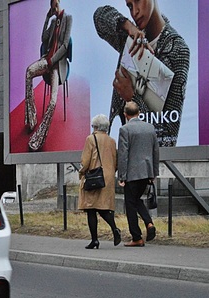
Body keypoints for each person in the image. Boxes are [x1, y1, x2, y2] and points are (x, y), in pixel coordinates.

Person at [93, 1, 189, 147]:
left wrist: (132, 98)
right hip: (123, 150)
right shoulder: (131, 38)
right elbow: (99, 16)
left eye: (138, 0)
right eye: (129, 6)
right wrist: (127, 26)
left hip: (149, 159)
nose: (134, 11)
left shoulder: (177, 50)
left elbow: (168, 138)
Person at [24, 0, 72, 151]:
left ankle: (40, 136)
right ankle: (31, 117)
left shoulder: (67, 18)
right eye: (52, 4)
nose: (55, 6)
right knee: (29, 72)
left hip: (57, 65)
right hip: (46, 61)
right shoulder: (53, 22)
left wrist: (52, 60)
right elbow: (43, 39)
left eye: (56, 3)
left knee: (52, 102)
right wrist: (47, 19)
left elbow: (65, 46)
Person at [117, 101, 159, 247]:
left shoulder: (124, 129)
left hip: (132, 174)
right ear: (139, 113)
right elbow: (155, 151)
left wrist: (121, 176)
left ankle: (137, 237)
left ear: (125, 114)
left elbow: (123, 154)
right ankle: (149, 223)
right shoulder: (150, 128)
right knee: (136, 200)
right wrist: (154, 172)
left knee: (130, 204)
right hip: (147, 172)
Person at [78, 114, 121, 249]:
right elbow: (116, 161)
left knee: (91, 208)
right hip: (107, 177)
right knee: (103, 207)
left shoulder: (90, 139)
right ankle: (114, 228)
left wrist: (81, 172)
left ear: (96, 126)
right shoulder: (112, 141)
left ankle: (95, 240)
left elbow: (86, 160)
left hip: (94, 176)